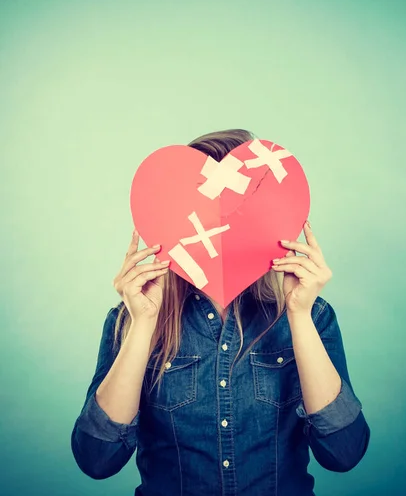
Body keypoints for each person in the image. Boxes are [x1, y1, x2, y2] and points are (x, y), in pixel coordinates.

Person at [71, 129, 370, 495]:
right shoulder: (131, 321)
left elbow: (344, 453)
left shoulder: (313, 316)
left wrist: (299, 314)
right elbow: (97, 459)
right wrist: (143, 324)